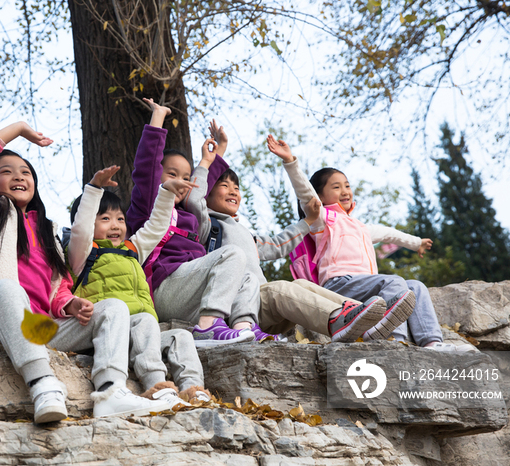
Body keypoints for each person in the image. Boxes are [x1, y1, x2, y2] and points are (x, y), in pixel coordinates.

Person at [0, 122, 173, 425]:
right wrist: (18, 129)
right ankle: (42, 384)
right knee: (8, 289)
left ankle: (111, 392)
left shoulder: (48, 233)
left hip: (40, 329)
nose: (18, 175)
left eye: (26, 172)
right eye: (6, 171)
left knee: (113, 307)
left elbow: (58, 285)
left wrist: (68, 303)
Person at [185, 121, 394, 343]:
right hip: (234, 306)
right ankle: (339, 319)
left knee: (303, 286)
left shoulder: (247, 235)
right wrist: (212, 158)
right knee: (281, 289)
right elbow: (193, 199)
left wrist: (308, 221)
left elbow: (278, 245)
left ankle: (361, 315)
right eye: (224, 186)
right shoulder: (208, 225)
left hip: (259, 303)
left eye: (236, 187)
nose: (233, 191)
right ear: (208, 193)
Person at [266, 135, 474, 352]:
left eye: (347, 185)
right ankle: (393, 340)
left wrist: (415, 243)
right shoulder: (322, 221)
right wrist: (290, 162)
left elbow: (388, 234)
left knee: (416, 287)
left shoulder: (361, 227)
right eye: (336, 187)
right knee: (393, 283)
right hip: (339, 284)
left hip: (366, 286)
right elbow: (305, 193)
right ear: (321, 196)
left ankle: (432, 342)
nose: (345, 191)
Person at [62, 166, 211, 406]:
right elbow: (80, 231)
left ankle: (193, 389)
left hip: (144, 335)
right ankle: (156, 385)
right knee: (144, 320)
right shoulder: (83, 255)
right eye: (105, 219)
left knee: (180, 336)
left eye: (120, 219)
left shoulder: (132, 251)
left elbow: (156, 228)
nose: (115, 225)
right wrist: (93, 190)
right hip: (111, 332)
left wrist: (165, 194)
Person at [125, 98, 259, 347]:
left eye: (185, 177)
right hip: (163, 289)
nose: (181, 181)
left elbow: (199, 189)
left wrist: (216, 154)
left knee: (248, 276)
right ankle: (208, 328)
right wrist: (158, 118)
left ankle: (244, 327)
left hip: (190, 289)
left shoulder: (189, 216)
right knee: (231, 255)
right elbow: (146, 168)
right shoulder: (149, 207)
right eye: (171, 174)